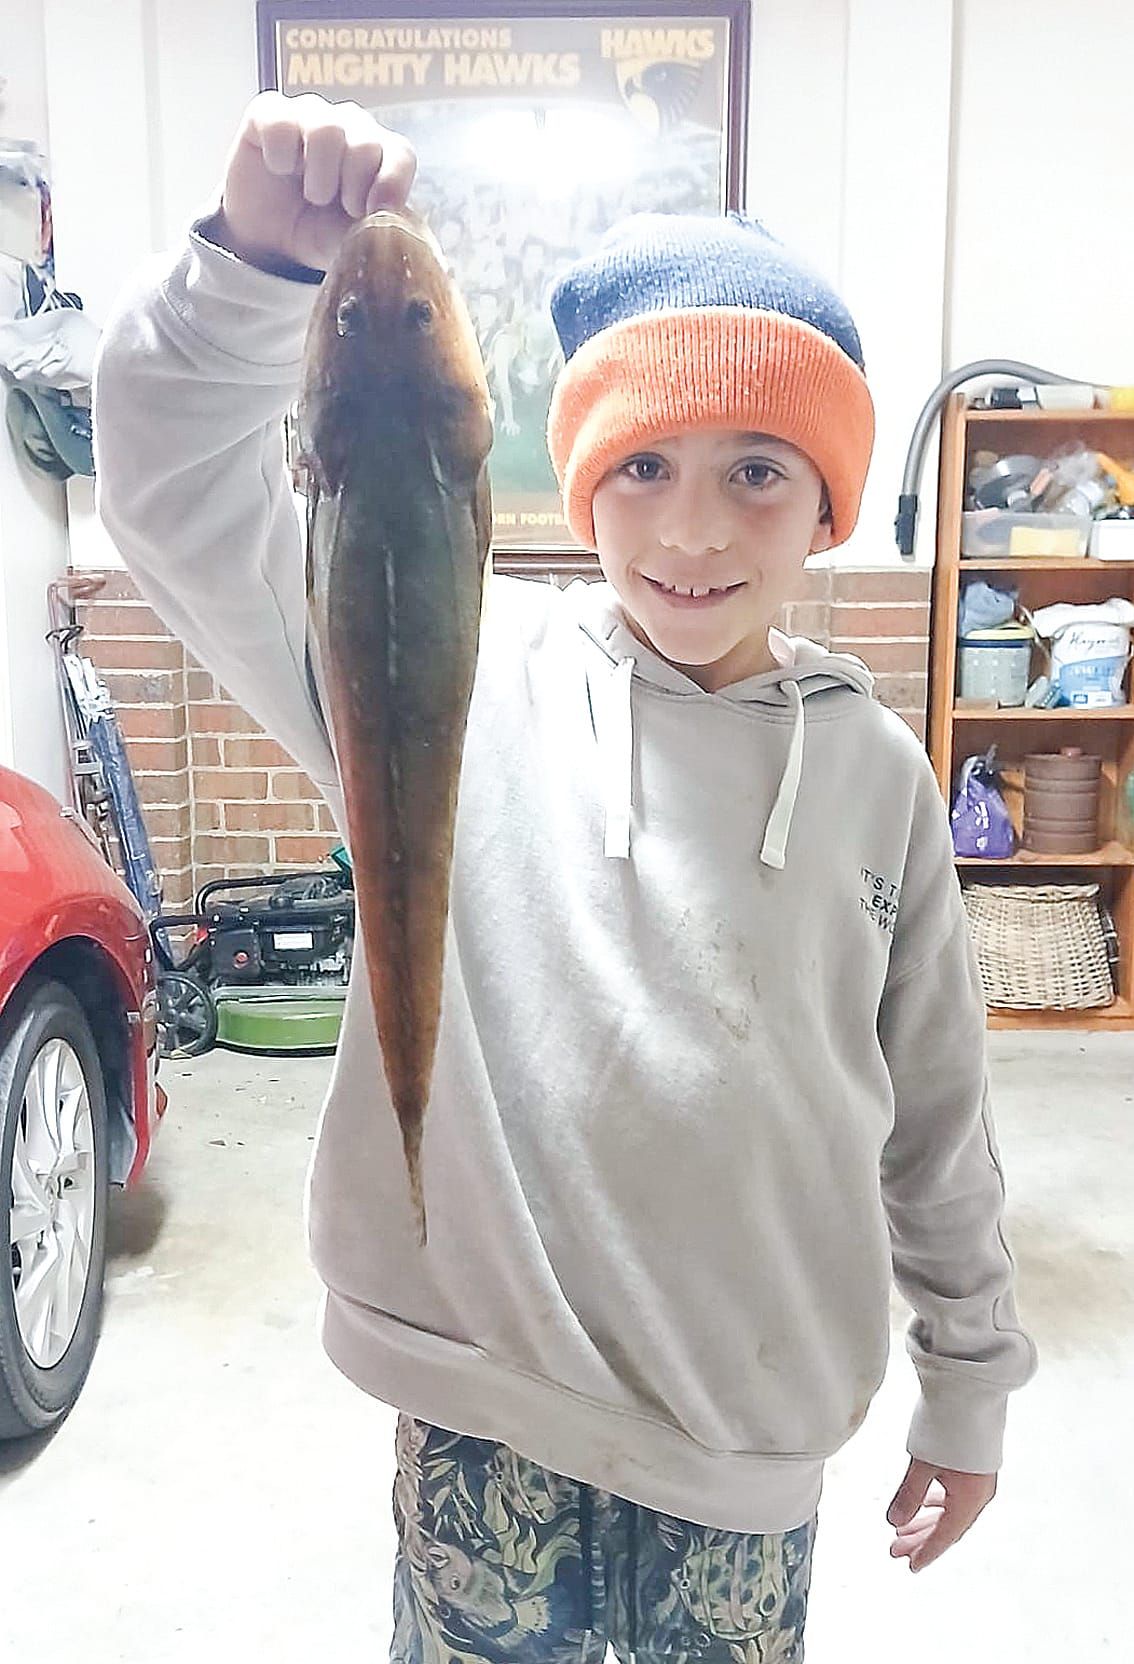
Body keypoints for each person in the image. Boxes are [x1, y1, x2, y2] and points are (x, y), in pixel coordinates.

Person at [93, 91, 1037, 1661]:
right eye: (644, 462)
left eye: (756, 471)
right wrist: (248, 272)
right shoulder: (448, 658)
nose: (689, 523)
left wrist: (970, 1378)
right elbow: (179, 492)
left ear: (828, 504)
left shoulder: (871, 773)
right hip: (482, 1400)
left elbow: (937, 1118)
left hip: (744, 1439)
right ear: (562, 473)